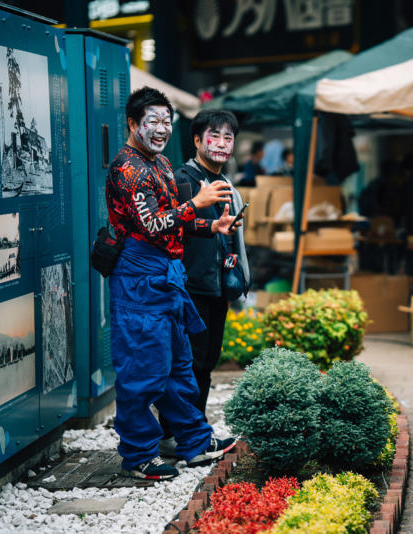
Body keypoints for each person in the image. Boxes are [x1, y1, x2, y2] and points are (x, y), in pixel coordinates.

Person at [105, 87, 240, 480]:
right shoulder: (128, 169)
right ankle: (138, 456)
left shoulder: (161, 163)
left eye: (167, 121)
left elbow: (174, 220)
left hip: (168, 274)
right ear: (133, 124)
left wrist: (210, 226)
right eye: (153, 121)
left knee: (180, 365)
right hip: (138, 278)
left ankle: (194, 441)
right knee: (143, 370)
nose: (162, 128)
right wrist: (196, 204)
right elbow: (152, 224)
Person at [158, 109, 250, 455]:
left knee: (206, 362)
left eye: (229, 137)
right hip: (190, 287)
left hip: (215, 286)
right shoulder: (184, 180)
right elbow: (173, 227)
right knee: (189, 363)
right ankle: (178, 436)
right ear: (197, 140)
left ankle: (192, 433)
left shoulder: (224, 183)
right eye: (215, 136)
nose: (222, 143)